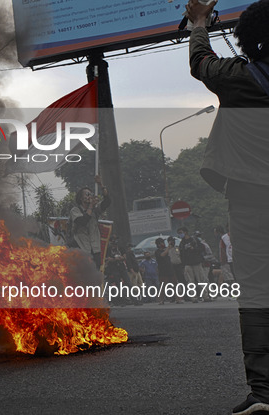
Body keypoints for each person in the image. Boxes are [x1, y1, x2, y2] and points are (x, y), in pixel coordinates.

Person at [187, 0, 269, 410]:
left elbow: (201, 62)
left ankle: (265, 394)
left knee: (257, 292)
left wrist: (200, 22)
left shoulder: (240, 78)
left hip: (253, 200)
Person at [69, 175, 110, 269]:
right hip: (82, 249)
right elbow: (83, 221)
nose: (90, 197)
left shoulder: (95, 210)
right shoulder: (75, 210)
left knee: (96, 275)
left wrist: (101, 184)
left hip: (95, 249)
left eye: (91, 195)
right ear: (81, 198)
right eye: (87, 195)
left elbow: (107, 202)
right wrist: (91, 206)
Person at [178, 227, 210, 302]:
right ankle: (193, 297)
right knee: (190, 282)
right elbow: (181, 254)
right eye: (179, 233)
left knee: (201, 280)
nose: (180, 234)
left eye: (181, 232)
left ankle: (205, 296)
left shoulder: (194, 240)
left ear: (185, 232)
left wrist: (194, 249)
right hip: (187, 264)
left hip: (196, 262)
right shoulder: (181, 243)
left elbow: (202, 248)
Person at [154, 238, 178, 304]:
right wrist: (168, 248)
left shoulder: (168, 249)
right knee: (163, 286)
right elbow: (162, 255)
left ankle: (177, 299)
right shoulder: (157, 251)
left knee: (175, 284)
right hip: (163, 271)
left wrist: (171, 246)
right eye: (162, 242)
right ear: (158, 244)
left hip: (170, 269)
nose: (163, 244)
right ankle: (161, 300)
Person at [167, 237, 185, 303]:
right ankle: (173, 297)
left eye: (173, 241)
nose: (173, 242)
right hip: (171, 267)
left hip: (179, 265)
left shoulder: (177, 248)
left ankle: (185, 295)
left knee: (181, 280)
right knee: (172, 283)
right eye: (171, 241)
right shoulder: (167, 249)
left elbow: (181, 255)